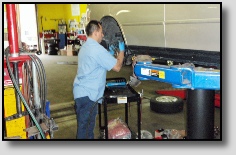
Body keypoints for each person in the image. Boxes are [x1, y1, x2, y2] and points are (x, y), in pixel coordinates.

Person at [73, 20, 125, 139]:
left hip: (81, 93)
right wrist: (121, 51)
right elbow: (117, 67)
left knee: (85, 129)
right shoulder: (97, 49)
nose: (103, 35)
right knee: (86, 131)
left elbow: (99, 63)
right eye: (101, 32)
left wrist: (110, 53)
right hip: (88, 96)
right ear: (95, 32)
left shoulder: (86, 47)